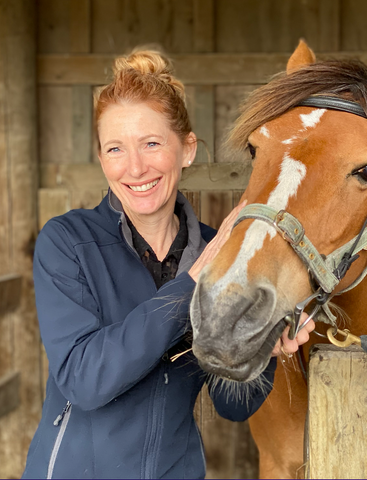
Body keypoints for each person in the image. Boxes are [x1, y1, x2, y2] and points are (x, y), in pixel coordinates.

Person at [22, 47, 315, 479]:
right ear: (102, 160)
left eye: (152, 143)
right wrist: (192, 284)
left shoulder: (219, 250)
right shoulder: (68, 242)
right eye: (116, 148)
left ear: (188, 149)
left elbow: (233, 407)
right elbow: (86, 381)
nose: (135, 167)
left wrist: (263, 350)